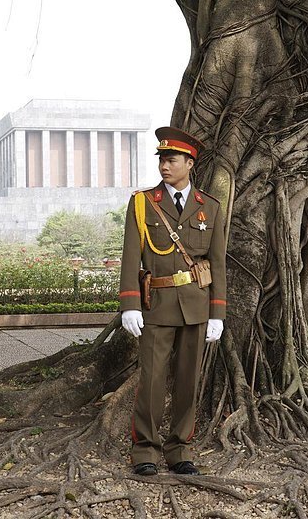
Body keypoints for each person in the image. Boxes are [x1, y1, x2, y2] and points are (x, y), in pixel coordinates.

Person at [120, 126, 226, 476]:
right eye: (162, 160)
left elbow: (218, 262)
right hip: (157, 305)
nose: (165, 166)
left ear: (189, 163)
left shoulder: (209, 207)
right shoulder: (144, 203)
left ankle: (180, 449)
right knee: (151, 381)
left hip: (196, 306)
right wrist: (130, 304)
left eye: (172, 160)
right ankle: (145, 451)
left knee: (187, 381)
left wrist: (217, 312)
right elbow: (130, 257)